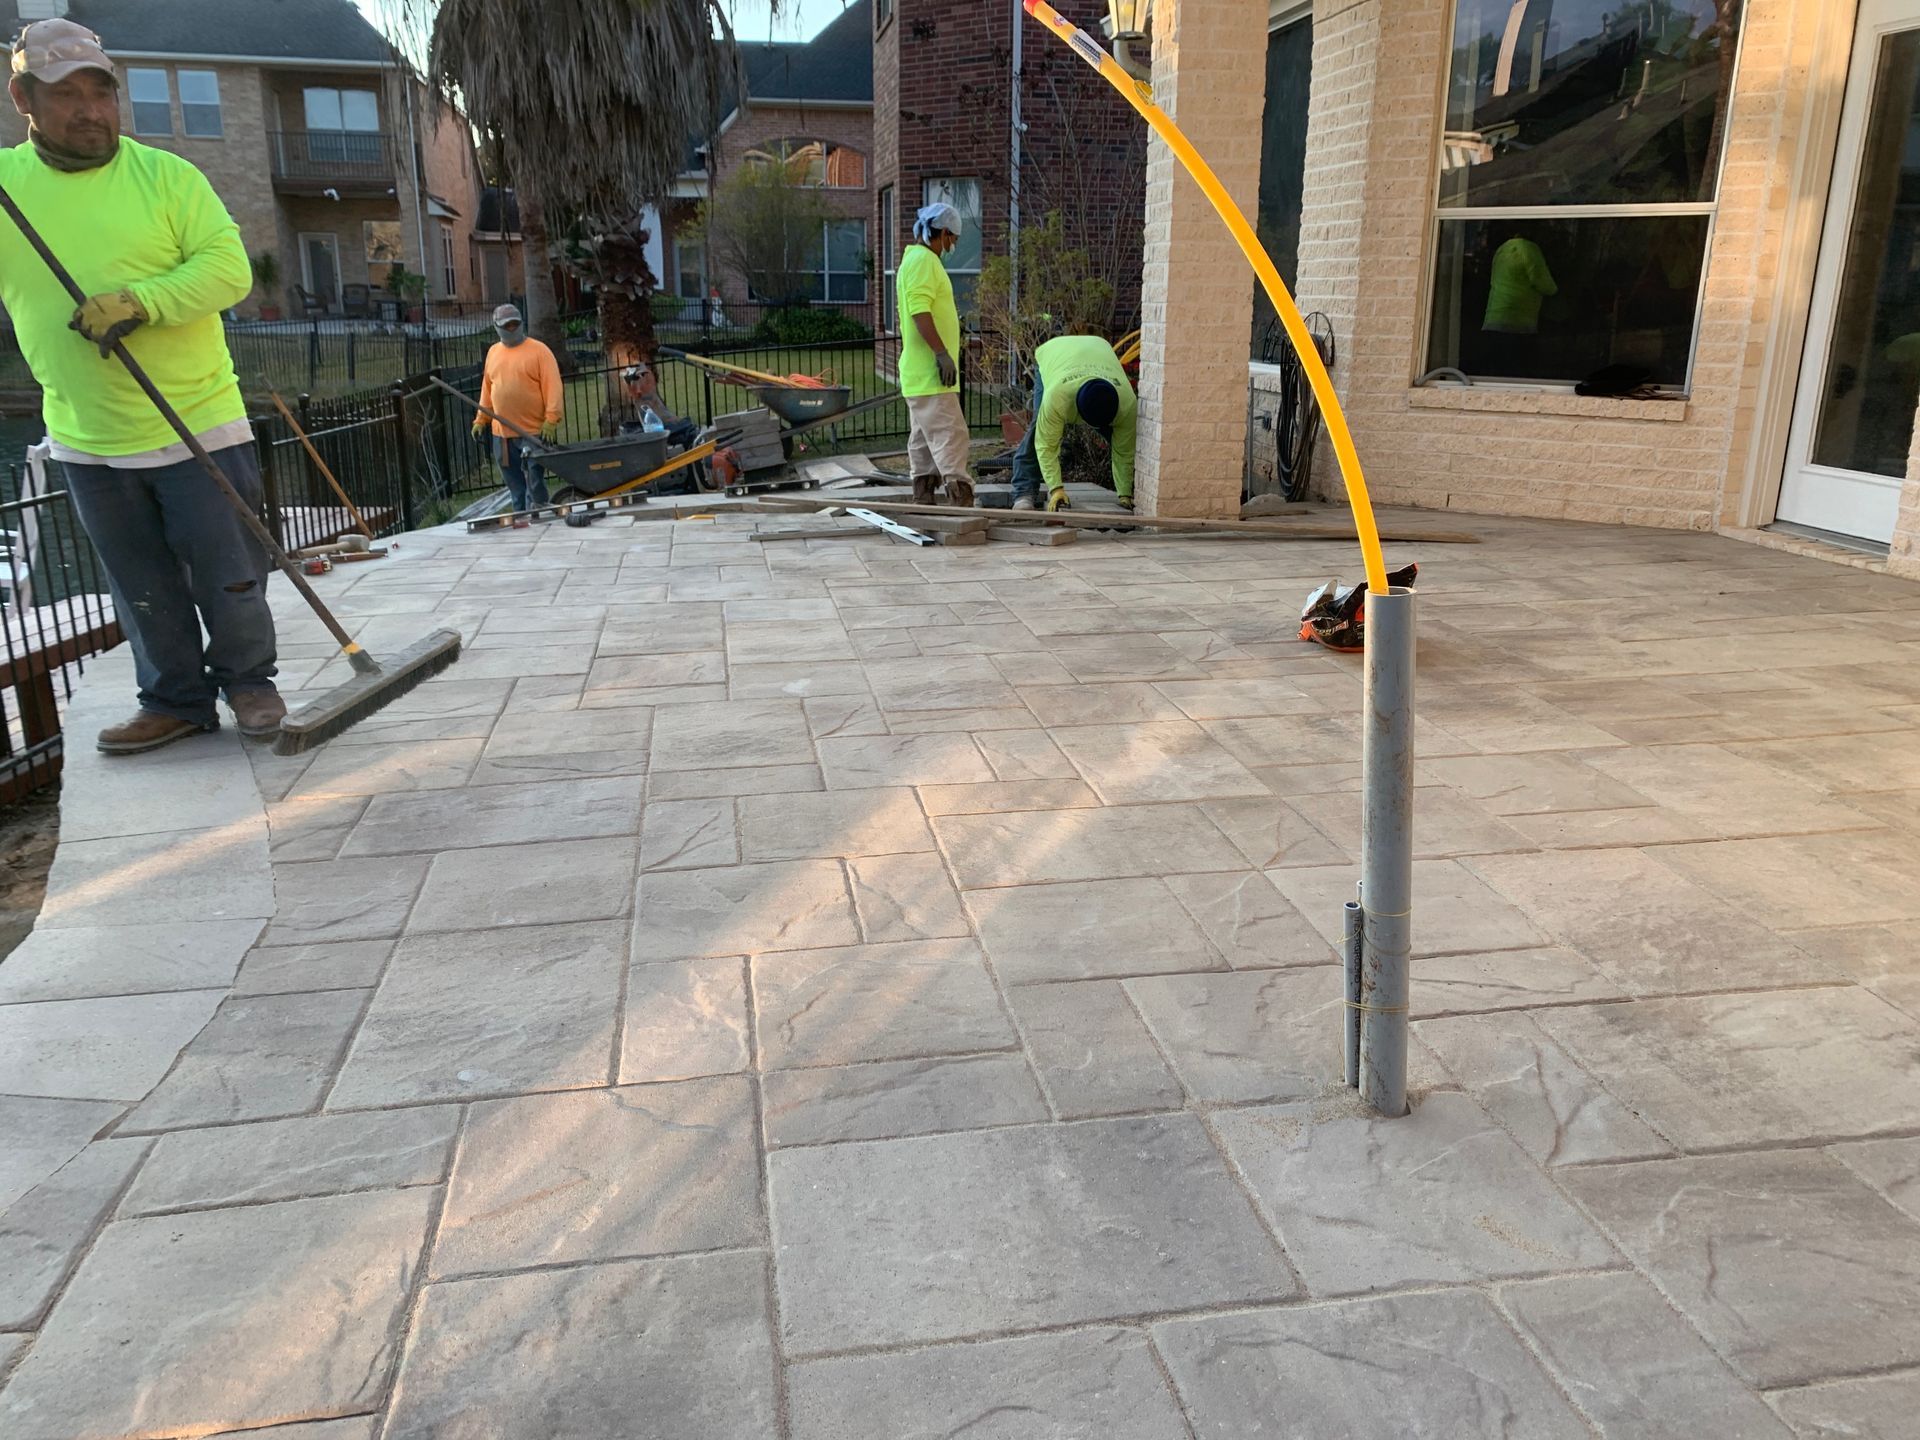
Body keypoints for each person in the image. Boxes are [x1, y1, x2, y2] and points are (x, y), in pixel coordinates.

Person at [0, 19, 284, 753]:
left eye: (102, 91)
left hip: (198, 421)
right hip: (87, 435)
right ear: (23, 98)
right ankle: (176, 699)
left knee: (231, 577)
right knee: (142, 586)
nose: (91, 109)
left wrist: (140, 300)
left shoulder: (168, 178)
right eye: (68, 95)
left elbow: (228, 272)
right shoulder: (7, 194)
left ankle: (250, 682)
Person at [897, 201, 974, 507]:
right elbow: (919, 310)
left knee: (924, 440)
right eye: (952, 239)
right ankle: (960, 500)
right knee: (950, 434)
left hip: (919, 373)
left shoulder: (913, 260)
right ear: (942, 232)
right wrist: (942, 353)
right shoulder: (924, 261)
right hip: (931, 372)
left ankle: (923, 497)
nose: (952, 245)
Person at [1009, 334, 1137, 512]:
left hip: (1096, 350)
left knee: (1124, 440)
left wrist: (1125, 495)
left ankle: (1127, 490)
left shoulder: (1127, 403)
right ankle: (1024, 492)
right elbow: (1046, 445)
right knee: (1038, 428)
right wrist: (1056, 489)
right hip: (1055, 354)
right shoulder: (1057, 397)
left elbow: (1125, 451)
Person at [472, 302, 562, 524]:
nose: (512, 329)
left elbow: (553, 386)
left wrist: (551, 419)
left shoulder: (540, 351)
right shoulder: (493, 352)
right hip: (502, 435)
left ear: (522, 323)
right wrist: (481, 418)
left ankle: (539, 516)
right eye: (507, 326)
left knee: (534, 480)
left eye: (515, 324)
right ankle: (520, 518)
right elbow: (488, 388)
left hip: (532, 432)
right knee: (514, 483)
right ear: (497, 327)